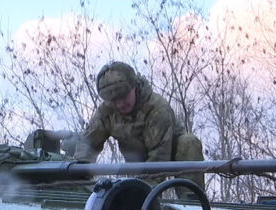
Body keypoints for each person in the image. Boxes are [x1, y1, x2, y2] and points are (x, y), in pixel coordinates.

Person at [73, 61, 205, 190]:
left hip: (168, 155)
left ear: (134, 87)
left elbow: (159, 157)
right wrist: (81, 171)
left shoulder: (157, 109)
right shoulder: (107, 111)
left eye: (124, 97)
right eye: (114, 100)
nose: (120, 104)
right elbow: (88, 142)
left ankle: (191, 201)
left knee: (188, 143)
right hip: (136, 163)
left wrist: (140, 192)